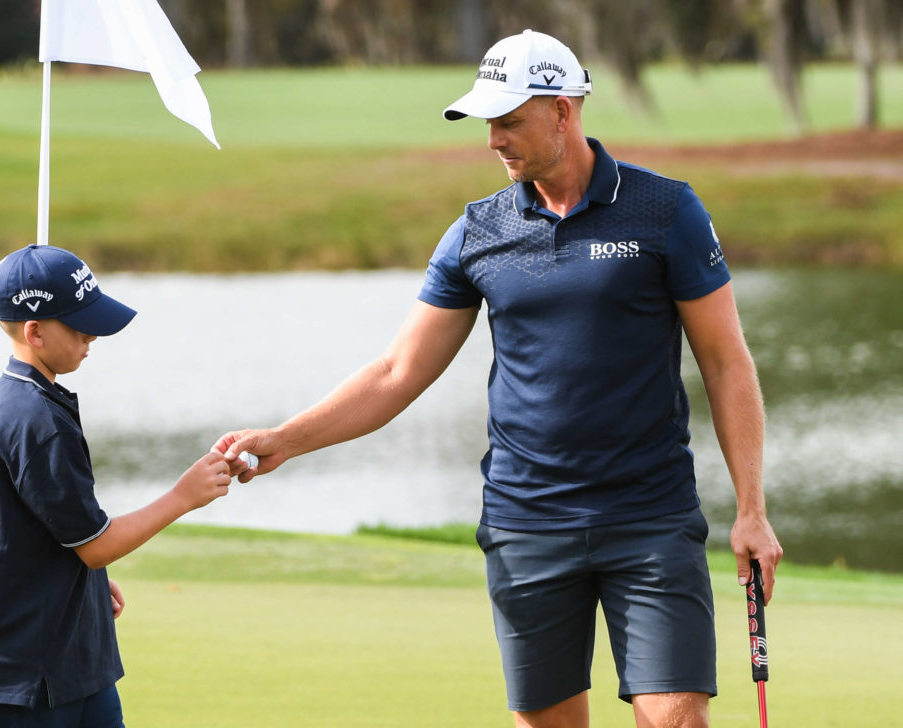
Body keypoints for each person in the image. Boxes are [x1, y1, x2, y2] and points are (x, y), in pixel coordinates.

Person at [214, 30, 783, 728]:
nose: (493, 139)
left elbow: (727, 363)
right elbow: (397, 373)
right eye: (488, 122)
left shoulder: (664, 211)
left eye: (510, 120)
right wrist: (287, 439)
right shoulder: (477, 232)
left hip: (649, 519)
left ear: (562, 112)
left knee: (675, 721)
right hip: (527, 523)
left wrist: (751, 509)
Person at [0, 244, 244, 727]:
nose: (92, 336)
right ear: (35, 332)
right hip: (32, 681)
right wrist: (183, 496)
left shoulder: (6, 400)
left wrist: (69, 578)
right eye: (79, 325)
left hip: (77, 666)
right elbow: (96, 547)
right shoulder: (38, 421)